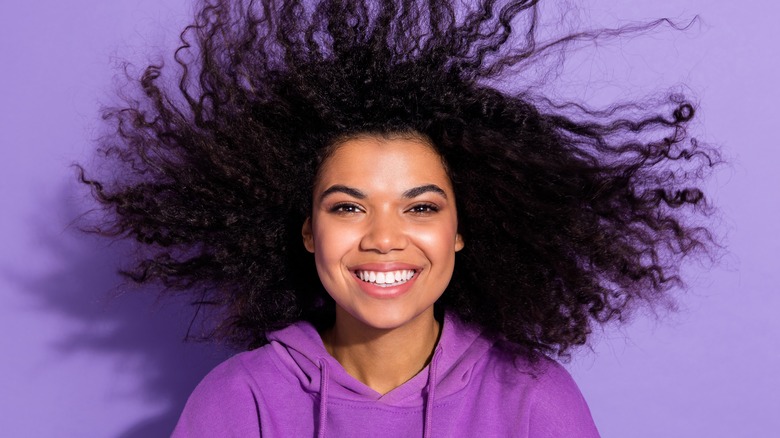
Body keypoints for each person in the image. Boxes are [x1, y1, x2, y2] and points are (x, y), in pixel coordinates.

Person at [79, 0, 717, 436]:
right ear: (307, 229)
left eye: (420, 207)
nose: (384, 238)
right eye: (349, 206)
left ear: (463, 229)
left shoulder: (532, 400)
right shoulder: (239, 401)